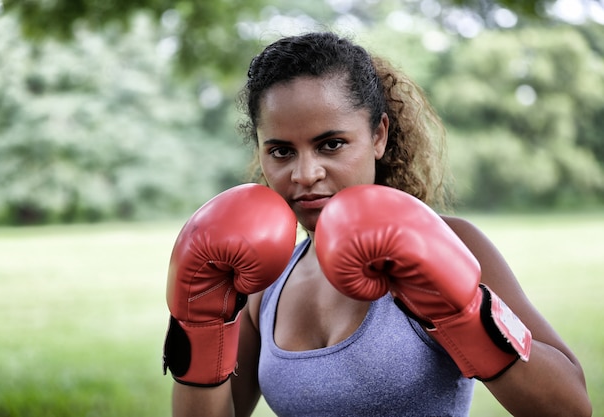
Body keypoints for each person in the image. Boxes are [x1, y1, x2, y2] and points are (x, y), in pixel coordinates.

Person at [163, 32, 592, 417]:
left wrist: (465, 315)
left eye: (331, 144)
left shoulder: (452, 243)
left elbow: (571, 408)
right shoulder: (263, 281)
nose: (305, 173)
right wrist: (200, 328)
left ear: (379, 135)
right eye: (280, 151)